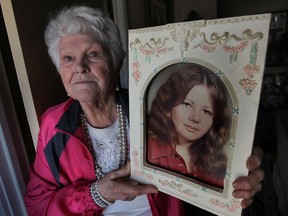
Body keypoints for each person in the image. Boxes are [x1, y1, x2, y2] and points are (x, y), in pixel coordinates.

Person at [24, 5, 264, 216]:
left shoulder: (151, 109)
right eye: (68, 58)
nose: (80, 67)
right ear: (60, 71)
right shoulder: (53, 125)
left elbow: (200, 160)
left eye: (93, 54)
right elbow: (38, 206)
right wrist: (97, 194)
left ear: (116, 63)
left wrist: (236, 167)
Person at [147, 63, 231, 188]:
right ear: (169, 104)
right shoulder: (145, 150)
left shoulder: (218, 162)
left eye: (206, 111)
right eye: (187, 104)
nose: (195, 118)